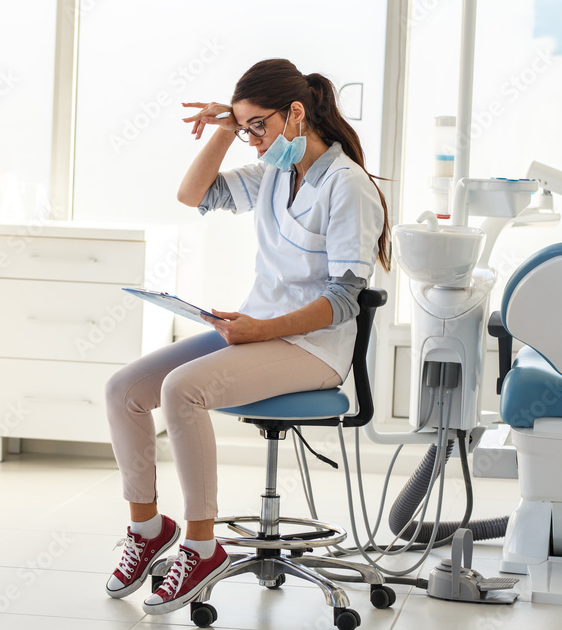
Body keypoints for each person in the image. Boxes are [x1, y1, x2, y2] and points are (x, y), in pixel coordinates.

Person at [104, 58, 391, 615]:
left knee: (181, 390)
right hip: (255, 332)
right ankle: (147, 530)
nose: (253, 142)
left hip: (312, 348)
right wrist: (226, 128)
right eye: (246, 129)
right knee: (125, 390)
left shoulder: (347, 187)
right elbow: (194, 195)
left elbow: (342, 300)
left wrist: (262, 329)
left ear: (297, 114)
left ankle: (202, 545)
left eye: (258, 126)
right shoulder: (276, 174)